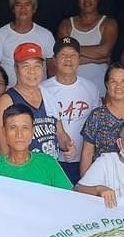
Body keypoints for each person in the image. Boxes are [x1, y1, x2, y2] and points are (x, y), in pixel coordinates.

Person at [0, 42, 72, 160]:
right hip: (23, 173)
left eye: (37, 66)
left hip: (49, 171)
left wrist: (68, 145)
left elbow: (60, 134)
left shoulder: (49, 97)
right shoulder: (7, 102)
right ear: (16, 68)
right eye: (25, 66)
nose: (32, 71)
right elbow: (4, 150)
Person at [41, 37, 101, 183]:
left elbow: (97, 125)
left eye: (73, 55)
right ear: (54, 60)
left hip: (84, 159)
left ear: (79, 59)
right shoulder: (43, 89)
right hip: (52, 160)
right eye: (63, 55)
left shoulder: (91, 88)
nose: (68, 59)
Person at [0, 104, 73, 189]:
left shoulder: (48, 163)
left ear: (33, 131)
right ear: (4, 131)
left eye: (25, 128)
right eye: (13, 128)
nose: (19, 135)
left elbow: (69, 197)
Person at [56, 0, 118, 93]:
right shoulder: (66, 25)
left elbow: (104, 50)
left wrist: (73, 52)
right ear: (77, 0)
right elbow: (64, 55)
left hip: (101, 89)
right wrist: (99, 60)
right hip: (72, 89)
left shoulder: (108, 23)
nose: (87, 0)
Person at [0, 0, 55, 87]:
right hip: (10, 96)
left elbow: (52, 69)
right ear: (13, 8)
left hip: (40, 95)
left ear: (34, 8)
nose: (23, 9)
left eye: (27, 4)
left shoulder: (46, 35)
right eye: (18, 5)